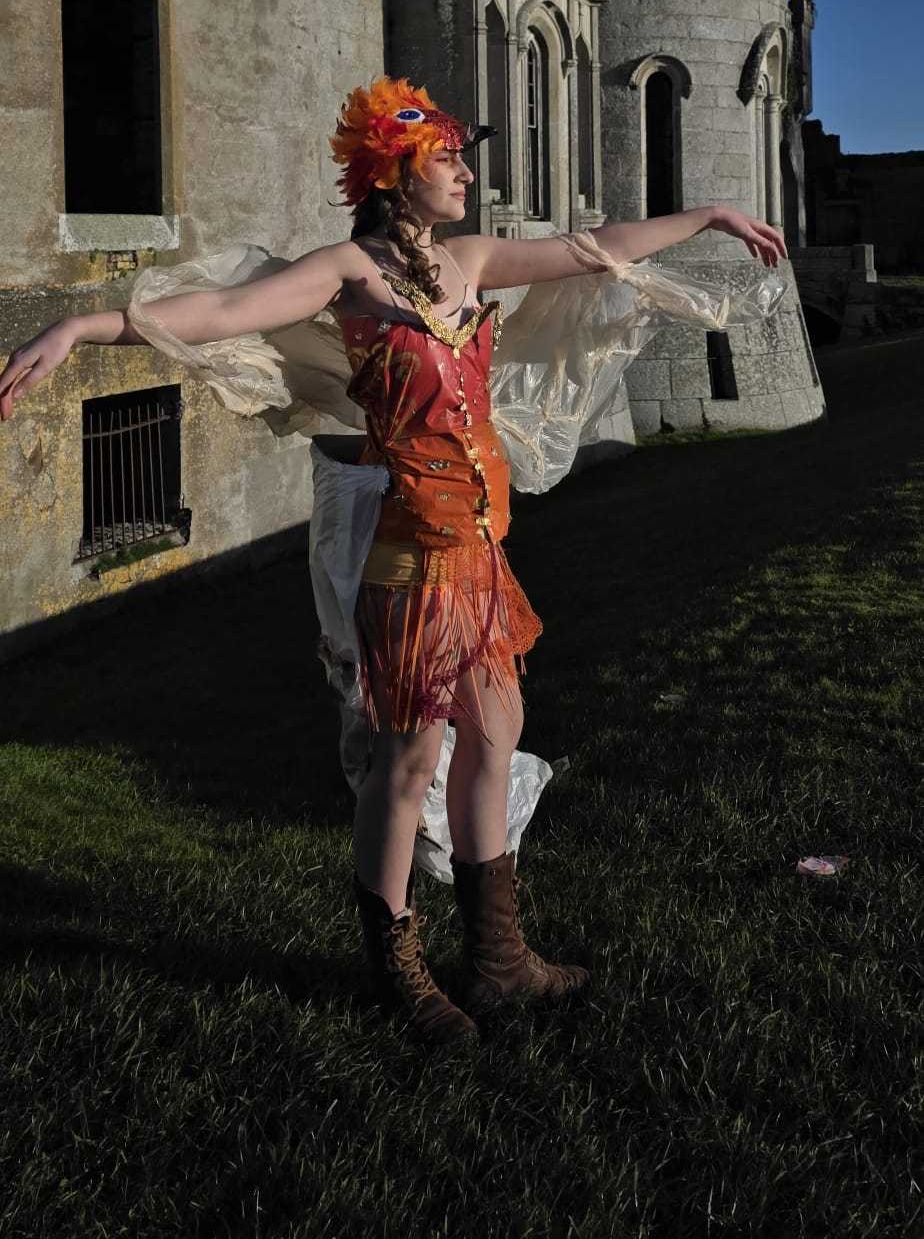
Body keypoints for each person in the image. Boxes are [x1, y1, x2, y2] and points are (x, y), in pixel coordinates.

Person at [0, 75, 787, 1055]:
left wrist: (709, 214)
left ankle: (500, 960)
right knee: (406, 761)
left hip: (482, 550)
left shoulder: (471, 259)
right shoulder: (350, 271)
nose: (465, 171)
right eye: (447, 157)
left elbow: (595, 246)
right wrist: (81, 325)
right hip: (411, 559)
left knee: (495, 735)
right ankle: (398, 969)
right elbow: (226, 309)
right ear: (396, 173)